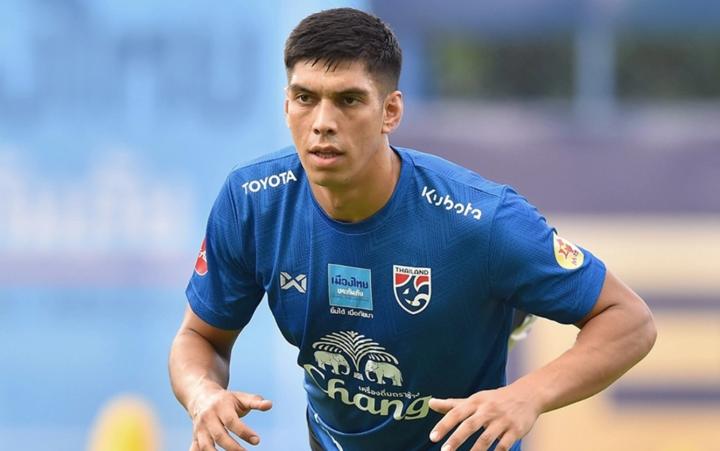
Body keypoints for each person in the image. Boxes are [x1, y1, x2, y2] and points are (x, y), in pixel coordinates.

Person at [169, 7, 656, 451]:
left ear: (391, 112)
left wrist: (527, 396)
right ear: (286, 105)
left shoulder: (482, 220)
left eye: (348, 100)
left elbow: (629, 321)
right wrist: (201, 393)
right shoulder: (253, 201)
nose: (322, 123)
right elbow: (200, 339)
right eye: (305, 98)